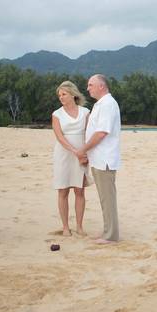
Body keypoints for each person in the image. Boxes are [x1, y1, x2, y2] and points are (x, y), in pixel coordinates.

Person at [78, 74, 121, 244]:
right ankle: (107, 230)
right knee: (104, 197)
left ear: (101, 86)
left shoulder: (108, 104)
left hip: (105, 159)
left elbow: (102, 132)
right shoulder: (101, 104)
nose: (88, 88)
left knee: (107, 197)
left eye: (90, 85)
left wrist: (83, 149)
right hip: (98, 158)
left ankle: (111, 235)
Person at [51, 80, 92, 237]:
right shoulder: (57, 114)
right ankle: (66, 227)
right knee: (63, 191)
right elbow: (59, 137)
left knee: (79, 190)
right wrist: (75, 151)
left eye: (64, 94)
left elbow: (89, 133)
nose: (61, 97)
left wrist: (85, 153)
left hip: (82, 153)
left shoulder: (85, 112)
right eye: (59, 95)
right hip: (64, 154)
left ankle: (80, 226)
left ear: (73, 94)